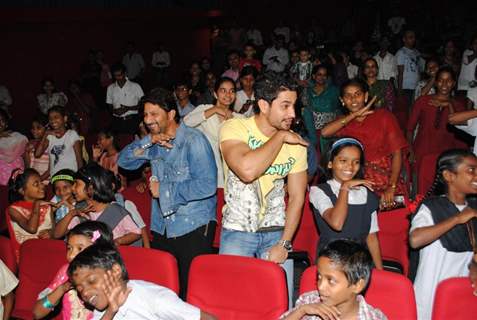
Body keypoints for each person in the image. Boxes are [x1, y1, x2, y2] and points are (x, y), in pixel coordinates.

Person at [118, 88, 217, 299]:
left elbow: (207, 185)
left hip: (193, 225)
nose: (148, 120)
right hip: (163, 225)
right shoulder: (155, 143)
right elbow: (123, 161)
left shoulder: (193, 140)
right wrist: (148, 141)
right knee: (166, 291)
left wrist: (164, 190)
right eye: (145, 115)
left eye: (154, 114)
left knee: (190, 292)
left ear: (171, 114)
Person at [219, 75, 308, 307]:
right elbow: (247, 170)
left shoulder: (295, 143)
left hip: (276, 234)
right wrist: (279, 137)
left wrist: (285, 243)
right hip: (238, 232)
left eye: (294, 106)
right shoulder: (234, 128)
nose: (293, 114)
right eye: (285, 106)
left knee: (278, 307)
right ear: (264, 105)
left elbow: (297, 197)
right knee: (232, 305)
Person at [409, 149, 477, 320]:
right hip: (430, 292)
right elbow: (415, 240)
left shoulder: (474, 209)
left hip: (463, 291)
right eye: (471, 170)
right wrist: (457, 219)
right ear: (449, 175)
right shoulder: (431, 208)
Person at [67, 244, 216, 320]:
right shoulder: (102, 307)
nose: (85, 293)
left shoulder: (153, 298)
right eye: (79, 289)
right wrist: (111, 312)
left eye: (92, 281)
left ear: (116, 271)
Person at [322, 79, 408, 207]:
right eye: (348, 96)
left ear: (366, 96)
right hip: (357, 178)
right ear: (342, 100)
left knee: (392, 219)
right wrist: (353, 116)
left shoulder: (384, 116)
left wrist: (392, 186)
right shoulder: (343, 122)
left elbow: (397, 153)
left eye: (358, 94)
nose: (353, 99)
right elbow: (324, 133)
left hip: (387, 177)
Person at [310, 138, 383, 268]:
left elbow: (371, 237)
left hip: (359, 264)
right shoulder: (319, 191)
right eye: (343, 161)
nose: (350, 167)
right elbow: (337, 223)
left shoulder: (367, 194)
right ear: (330, 163)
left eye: (356, 162)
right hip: (331, 263)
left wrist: (380, 271)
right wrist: (345, 188)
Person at [280, 239, 387, 320]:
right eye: (319, 277)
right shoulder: (309, 301)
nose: (320, 287)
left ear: (357, 285)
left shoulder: (373, 317)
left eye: (331, 281)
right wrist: (301, 311)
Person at [33, 221, 114, 320]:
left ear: (99, 250)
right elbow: (37, 313)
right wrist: (62, 289)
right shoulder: (66, 272)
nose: (71, 255)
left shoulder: (109, 275)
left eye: (79, 248)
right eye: (69, 248)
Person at [54, 163, 142, 245]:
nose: (73, 188)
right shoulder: (81, 210)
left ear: (91, 188)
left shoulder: (115, 210)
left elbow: (136, 232)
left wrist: (116, 242)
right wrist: (71, 213)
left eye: (77, 184)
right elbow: (57, 234)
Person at [407, 66, 467, 180]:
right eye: (440, 80)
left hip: (447, 154)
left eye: (448, 80)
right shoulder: (423, 101)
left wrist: (449, 105)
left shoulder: (458, 105)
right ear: (435, 82)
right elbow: (410, 129)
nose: (444, 84)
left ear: (454, 83)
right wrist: (410, 149)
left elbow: (460, 127)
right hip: (422, 151)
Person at [184, 77, 240, 189]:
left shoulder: (238, 118)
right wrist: (214, 110)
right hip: (204, 171)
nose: (228, 94)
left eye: (232, 91)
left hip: (229, 173)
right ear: (215, 94)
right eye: (223, 90)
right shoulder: (205, 109)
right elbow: (186, 123)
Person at [7, 168, 54, 261]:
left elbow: (54, 230)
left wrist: (51, 233)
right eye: (36, 184)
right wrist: (36, 205)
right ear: (22, 191)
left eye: (41, 182)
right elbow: (31, 229)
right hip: (26, 257)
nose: (42, 185)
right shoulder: (13, 209)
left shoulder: (47, 207)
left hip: (46, 250)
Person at [34, 106, 83, 176]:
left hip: (70, 177)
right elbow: (37, 154)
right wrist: (45, 134)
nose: (52, 121)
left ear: (65, 118)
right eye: (50, 118)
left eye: (56, 117)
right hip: (55, 179)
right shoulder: (50, 137)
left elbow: (79, 160)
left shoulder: (72, 134)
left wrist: (79, 178)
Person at [301, 65, 340, 149]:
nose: (322, 77)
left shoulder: (333, 90)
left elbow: (337, 108)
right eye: (319, 74)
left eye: (324, 75)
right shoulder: (307, 90)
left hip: (329, 128)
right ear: (314, 76)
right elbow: (304, 107)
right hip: (312, 130)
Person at [106, 63, 144, 134]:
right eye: (115, 76)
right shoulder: (110, 88)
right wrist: (115, 111)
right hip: (117, 121)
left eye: (120, 75)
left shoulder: (135, 86)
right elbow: (109, 106)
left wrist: (128, 108)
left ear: (125, 73)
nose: (118, 78)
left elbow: (142, 105)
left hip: (132, 120)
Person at [0, 109, 28, 186]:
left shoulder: (16, 136)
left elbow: (26, 150)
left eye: (2, 120)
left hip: (16, 176)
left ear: (6, 124)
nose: (0, 123)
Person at [396, 30, 422, 110]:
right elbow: (400, 73)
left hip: (416, 87)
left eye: (414, 37)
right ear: (404, 39)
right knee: (407, 111)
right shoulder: (401, 52)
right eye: (410, 37)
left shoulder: (416, 52)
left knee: (415, 110)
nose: (413, 39)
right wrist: (400, 92)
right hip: (406, 88)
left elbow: (419, 69)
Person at [25, 115, 50, 184]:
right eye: (33, 128)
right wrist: (26, 152)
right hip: (33, 181)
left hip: (45, 182)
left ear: (47, 128)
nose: (34, 131)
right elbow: (28, 166)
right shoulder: (30, 142)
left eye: (38, 128)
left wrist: (38, 180)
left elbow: (51, 169)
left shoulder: (50, 143)